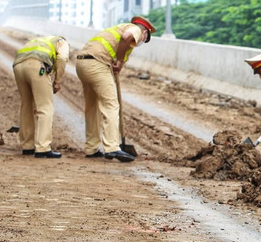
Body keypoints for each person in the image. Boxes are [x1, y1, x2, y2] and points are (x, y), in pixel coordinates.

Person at [75, 16, 156, 162]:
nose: (142, 41)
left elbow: (120, 55)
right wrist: (118, 60)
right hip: (98, 64)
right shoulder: (136, 29)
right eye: (144, 39)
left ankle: (91, 148)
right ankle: (112, 147)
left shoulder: (116, 30)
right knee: (111, 105)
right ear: (145, 33)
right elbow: (127, 38)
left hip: (82, 63)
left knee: (92, 107)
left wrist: (119, 64)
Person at [12, 35, 69, 158]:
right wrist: (57, 81)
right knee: (45, 107)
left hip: (18, 66)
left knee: (26, 105)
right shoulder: (62, 42)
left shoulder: (39, 41)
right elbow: (63, 58)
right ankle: (43, 147)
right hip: (36, 66)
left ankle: (27, 146)